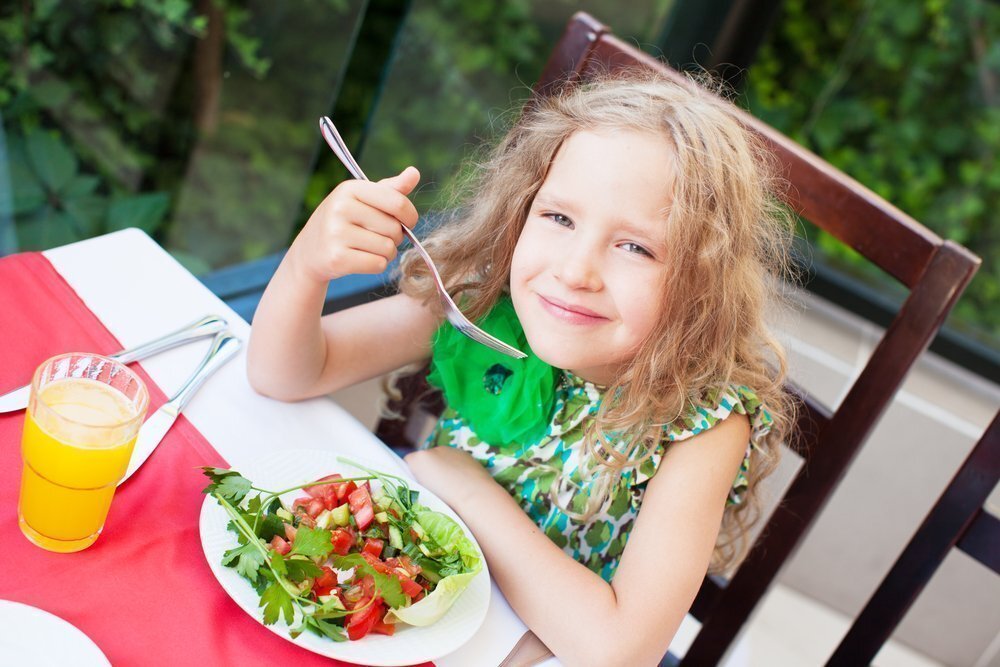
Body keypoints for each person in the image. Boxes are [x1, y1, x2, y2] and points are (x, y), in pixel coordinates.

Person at [247, 70, 795, 665]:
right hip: (414, 613)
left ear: (701, 280)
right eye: (559, 218)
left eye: (635, 247)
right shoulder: (483, 302)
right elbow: (286, 374)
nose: (574, 271)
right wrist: (307, 266)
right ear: (521, 208)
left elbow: (618, 650)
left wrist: (466, 489)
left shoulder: (703, 422)